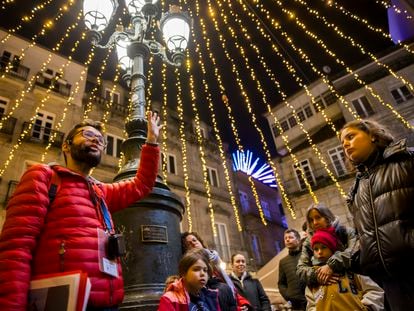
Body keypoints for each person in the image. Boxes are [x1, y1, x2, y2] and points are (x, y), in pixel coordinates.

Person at [0, 111, 161, 310]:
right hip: (63, 301)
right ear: (66, 146)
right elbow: (16, 250)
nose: (95, 140)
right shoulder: (44, 176)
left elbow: (142, 185)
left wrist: (152, 142)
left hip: (107, 303)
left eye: (101, 140)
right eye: (87, 135)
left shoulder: (100, 191)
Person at [340, 119, 414, 310]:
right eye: (342, 142)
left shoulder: (406, 160)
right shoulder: (356, 189)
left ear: (373, 135)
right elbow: (362, 236)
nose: (346, 144)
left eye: (351, 136)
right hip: (391, 283)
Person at [305, 227, 384, 311]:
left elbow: (374, 290)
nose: (319, 252)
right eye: (316, 249)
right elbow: (311, 304)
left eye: (324, 247)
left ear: (332, 248)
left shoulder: (350, 268)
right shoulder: (314, 276)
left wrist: (367, 307)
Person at [296, 203, 357, 289]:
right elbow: (301, 269)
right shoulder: (308, 242)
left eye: (318, 217)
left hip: (353, 284)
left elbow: (354, 251)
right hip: (325, 290)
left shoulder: (345, 232)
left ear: (327, 217)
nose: (315, 223)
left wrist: (331, 265)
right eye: (311, 220)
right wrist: (319, 274)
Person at [181, 231, 239, 310]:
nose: (193, 243)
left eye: (194, 240)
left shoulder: (215, 258)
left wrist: (243, 303)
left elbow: (231, 287)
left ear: (200, 241)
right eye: (189, 244)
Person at [278, 229, 307, 311]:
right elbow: (281, 283)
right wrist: (288, 296)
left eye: (290, 237)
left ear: (298, 240)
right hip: (296, 305)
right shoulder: (283, 262)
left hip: (312, 300)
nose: (287, 239)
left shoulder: (306, 255)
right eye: (285, 238)